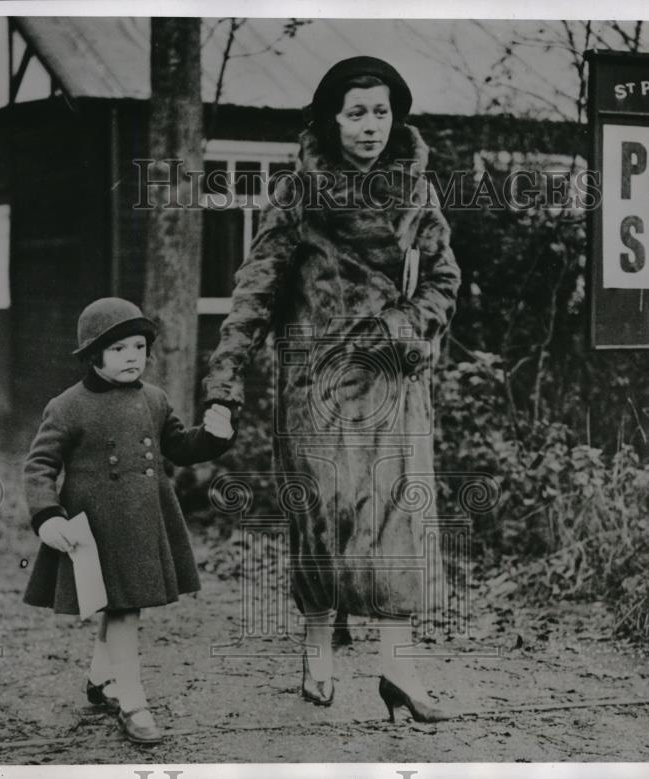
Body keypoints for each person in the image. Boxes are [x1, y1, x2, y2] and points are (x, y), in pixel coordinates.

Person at [203, 56, 461, 722]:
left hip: (395, 382)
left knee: (401, 519)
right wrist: (223, 382)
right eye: (356, 113)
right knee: (323, 521)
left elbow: (444, 282)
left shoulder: (419, 193)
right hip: (318, 388)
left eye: (380, 111)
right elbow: (255, 291)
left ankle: (398, 668)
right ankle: (320, 646)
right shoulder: (297, 194)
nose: (370, 126)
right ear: (332, 118)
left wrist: (403, 323)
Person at [22, 297, 235, 744]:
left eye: (139, 346)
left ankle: (102, 678)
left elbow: (179, 446)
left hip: (144, 518)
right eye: (119, 349)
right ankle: (133, 702)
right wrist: (47, 515)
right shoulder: (67, 406)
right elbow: (39, 465)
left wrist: (213, 438)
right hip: (96, 526)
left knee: (123, 603)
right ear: (93, 355)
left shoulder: (154, 400)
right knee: (121, 606)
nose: (132, 356)